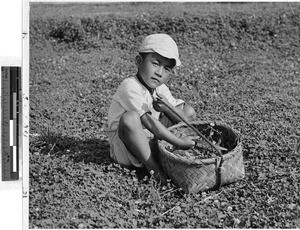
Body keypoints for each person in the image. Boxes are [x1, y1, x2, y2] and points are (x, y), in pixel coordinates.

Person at [107, 33, 196, 183]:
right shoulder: (130, 86)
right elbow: (148, 121)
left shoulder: (160, 89)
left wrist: (167, 108)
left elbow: (187, 120)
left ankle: (163, 154)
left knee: (187, 111)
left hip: (150, 139)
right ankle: (153, 167)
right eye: (155, 63)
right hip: (126, 149)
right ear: (139, 61)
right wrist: (179, 142)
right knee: (130, 118)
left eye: (167, 69)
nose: (159, 73)